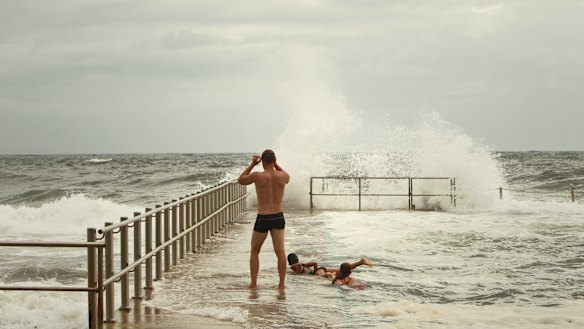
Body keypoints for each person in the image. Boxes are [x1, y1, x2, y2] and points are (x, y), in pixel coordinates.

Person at [238, 149, 290, 289]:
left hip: (263, 217)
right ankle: (281, 285)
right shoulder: (283, 176)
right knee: (280, 251)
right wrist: (276, 164)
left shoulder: (257, 176)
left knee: (255, 251)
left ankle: (254, 283)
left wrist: (253, 164)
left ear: (263, 162)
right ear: (274, 160)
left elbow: (241, 180)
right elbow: (287, 177)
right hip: (278, 216)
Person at [287, 253, 373, 279]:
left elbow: (296, 265)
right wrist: (314, 269)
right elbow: (315, 263)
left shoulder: (294, 267)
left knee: (327, 276)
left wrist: (315, 273)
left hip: (317, 272)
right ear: (297, 258)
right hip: (320, 269)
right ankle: (360, 262)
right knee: (342, 270)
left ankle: (332, 276)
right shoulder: (302, 265)